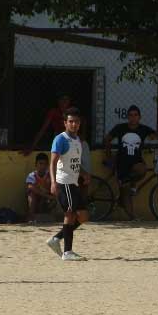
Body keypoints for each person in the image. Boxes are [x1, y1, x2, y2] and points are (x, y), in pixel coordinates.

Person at [46, 107, 90, 261]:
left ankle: (57, 238)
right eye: (71, 121)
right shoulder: (60, 139)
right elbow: (52, 163)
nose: (74, 124)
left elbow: (75, 163)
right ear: (65, 123)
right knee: (70, 213)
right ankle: (67, 252)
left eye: (76, 122)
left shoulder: (78, 140)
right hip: (64, 182)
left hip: (73, 182)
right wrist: (53, 182)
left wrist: (83, 173)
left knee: (83, 216)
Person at [104, 105, 158, 219]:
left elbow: (156, 135)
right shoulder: (120, 128)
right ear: (127, 117)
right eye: (130, 115)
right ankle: (132, 216)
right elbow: (107, 139)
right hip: (122, 162)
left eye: (135, 115)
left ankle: (129, 185)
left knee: (142, 169)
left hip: (136, 162)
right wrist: (109, 155)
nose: (133, 118)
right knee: (126, 193)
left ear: (139, 117)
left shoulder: (143, 129)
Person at [26, 153, 56, 222]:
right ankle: (31, 218)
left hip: (45, 200)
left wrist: (51, 196)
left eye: (45, 164)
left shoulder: (50, 175)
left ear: (47, 165)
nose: (43, 166)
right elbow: (31, 187)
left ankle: (51, 218)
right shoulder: (32, 175)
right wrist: (47, 196)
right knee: (31, 195)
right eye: (40, 163)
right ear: (36, 164)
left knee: (53, 200)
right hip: (36, 200)